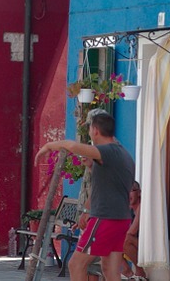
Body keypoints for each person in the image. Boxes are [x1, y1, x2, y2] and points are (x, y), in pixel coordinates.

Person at [36, 109, 135, 281]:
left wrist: (48, 146)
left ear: (95, 130)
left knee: (76, 264)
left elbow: (73, 146)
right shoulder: (123, 154)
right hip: (120, 218)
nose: (89, 133)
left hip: (105, 218)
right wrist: (87, 209)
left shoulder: (107, 151)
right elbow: (107, 187)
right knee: (110, 270)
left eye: (89, 129)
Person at [122, 181, 146, 280]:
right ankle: (127, 272)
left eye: (131, 191)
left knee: (125, 239)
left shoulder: (142, 207)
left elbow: (132, 231)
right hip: (137, 244)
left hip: (149, 246)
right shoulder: (128, 209)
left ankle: (140, 271)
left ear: (139, 192)